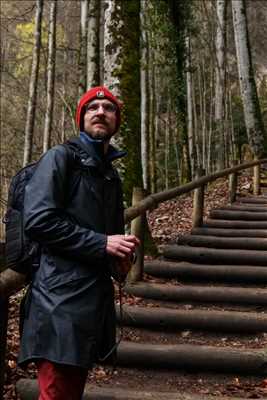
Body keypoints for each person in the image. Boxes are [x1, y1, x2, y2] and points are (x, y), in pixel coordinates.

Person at [18, 86, 140, 400]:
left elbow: (108, 239)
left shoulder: (110, 175)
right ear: (81, 118)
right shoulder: (60, 158)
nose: (100, 112)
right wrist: (102, 244)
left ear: (117, 121)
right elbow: (38, 221)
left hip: (91, 302)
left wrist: (119, 263)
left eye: (108, 108)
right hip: (58, 300)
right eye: (92, 107)